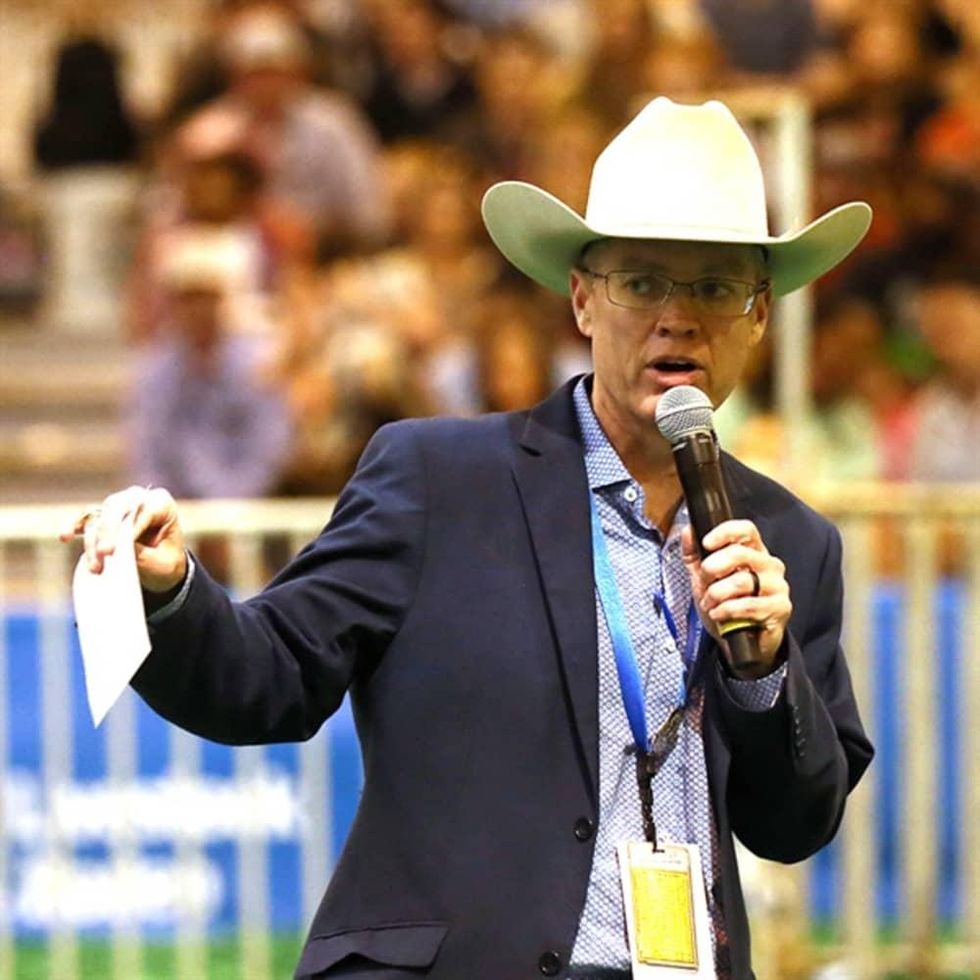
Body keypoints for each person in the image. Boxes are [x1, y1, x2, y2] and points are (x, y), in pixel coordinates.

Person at [65, 98, 874, 980]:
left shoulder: (791, 540)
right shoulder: (438, 479)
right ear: (582, 301)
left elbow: (795, 823)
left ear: (759, 316)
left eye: (715, 287)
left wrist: (759, 670)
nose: (678, 317)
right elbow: (267, 678)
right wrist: (170, 587)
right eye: (642, 282)